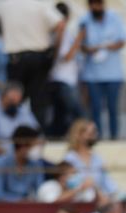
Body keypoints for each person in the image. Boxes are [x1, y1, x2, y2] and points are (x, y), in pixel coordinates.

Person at [0, 0, 65, 128]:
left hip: (15, 58)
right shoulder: (39, 4)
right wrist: (55, 50)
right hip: (38, 57)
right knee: (38, 101)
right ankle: (36, 136)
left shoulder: (5, 5)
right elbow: (60, 24)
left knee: (14, 99)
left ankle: (13, 133)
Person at [79, 0, 126, 139]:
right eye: (93, 4)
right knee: (95, 110)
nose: (95, 7)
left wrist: (105, 46)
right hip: (93, 74)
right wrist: (90, 49)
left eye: (98, 4)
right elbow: (80, 45)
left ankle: (114, 138)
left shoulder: (115, 18)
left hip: (113, 73)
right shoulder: (84, 20)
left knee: (113, 108)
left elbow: (122, 41)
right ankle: (96, 138)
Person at [0, 82, 39, 169]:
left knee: (50, 167)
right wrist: (12, 157)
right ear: (2, 97)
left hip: (24, 158)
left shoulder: (23, 111)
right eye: (11, 100)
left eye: (17, 101)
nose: (14, 104)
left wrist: (28, 152)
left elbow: (37, 135)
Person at [47, 2, 84, 138]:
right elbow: (66, 56)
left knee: (60, 115)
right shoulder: (59, 33)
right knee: (78, 114)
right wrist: (79, 40)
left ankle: (55, 139)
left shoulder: (56, 32)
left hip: (61, 79)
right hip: (63, 80)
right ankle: (81, 141)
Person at [63, 119, 117, 201]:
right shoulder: (69, 159)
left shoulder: (98, 159)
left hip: (99, 201)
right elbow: (69, 184)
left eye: (95, 133)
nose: (94, 136)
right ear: (79, 135)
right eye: (90, 134)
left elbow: (108, 184)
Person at [0, 125, 47, 202]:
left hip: (28, 209)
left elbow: (40, 192)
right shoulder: (1, 163)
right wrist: (20, 200)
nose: (37, 150)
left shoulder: (37, 164)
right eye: (34, 146)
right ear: (23, 145)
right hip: (4, 209)